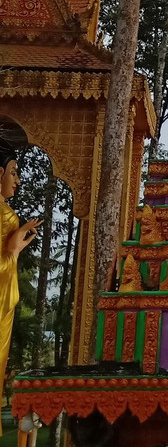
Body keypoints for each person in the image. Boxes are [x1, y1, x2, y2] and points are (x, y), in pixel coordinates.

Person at [0, 149, 39, 434]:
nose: (18, 180)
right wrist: (14, 249)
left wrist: (17, 246)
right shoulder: (5, 215)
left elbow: (8, 254)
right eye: (13, 172)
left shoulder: (8, 215)